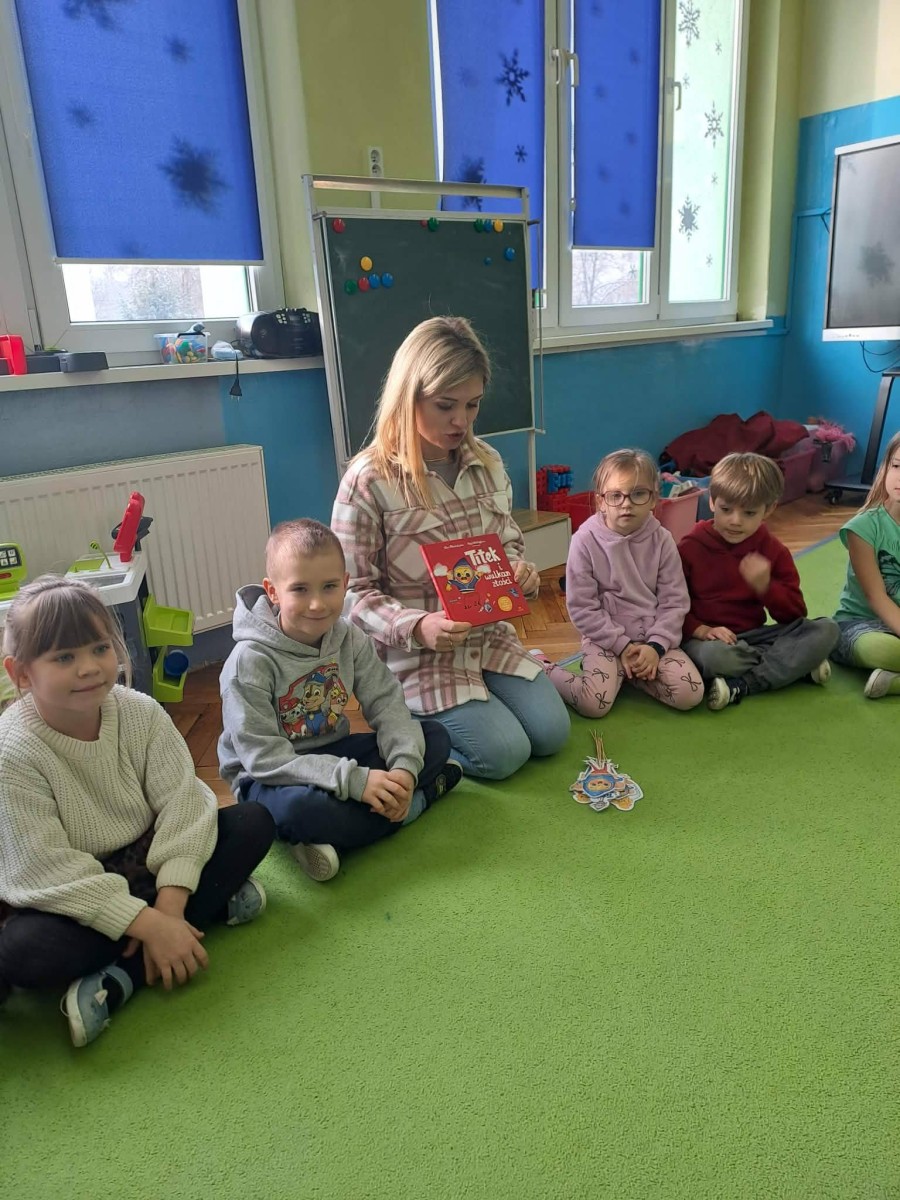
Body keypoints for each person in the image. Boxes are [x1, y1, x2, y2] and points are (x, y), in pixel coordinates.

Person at [0, 576, 274, 1048]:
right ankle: (202, 913)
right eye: (64, 658)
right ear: (21, 673)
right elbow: (44, 868)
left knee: (253, 822)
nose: (89, 668)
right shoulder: (13, 751)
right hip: (79, 888)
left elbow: (184, 802)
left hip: (150, 859)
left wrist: (169, 904)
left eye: (100, 648)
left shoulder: (139, 712)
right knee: (22, 951)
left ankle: (122, 975)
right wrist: (149, 925)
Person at [331, 315, 570, 780]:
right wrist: (417, 626)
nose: (461, 421)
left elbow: (508, 541)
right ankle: (404, 728)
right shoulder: (368, 480)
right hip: (416, 659)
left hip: (489, 640)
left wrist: (520, 571)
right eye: (445, 406)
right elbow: (349, 592)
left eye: (472, 405)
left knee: (552, 733)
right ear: (409, 397)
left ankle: (486, 708)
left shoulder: (488, 463)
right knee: (503, 755)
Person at [218, 518, 459, 882]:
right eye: (300, 589)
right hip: (267, 776)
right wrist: (358, 782)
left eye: (329, 586)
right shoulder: (248, 662)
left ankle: (340, 833)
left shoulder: (349, 637)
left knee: (434, 737)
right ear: (273, 591)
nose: (317, 604)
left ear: (345, 584)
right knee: (300, 809)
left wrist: (403, 771)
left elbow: (387, 703)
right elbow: (263, 758)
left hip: (332, 751)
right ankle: (416, 804)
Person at [532, 449, 703, 717]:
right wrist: (622, 646)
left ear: (653, 499)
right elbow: (582, 608)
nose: (626, 504)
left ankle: (630, 675)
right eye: (615, 496)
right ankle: (540, 666)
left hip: (651, 637)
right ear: (601, 501)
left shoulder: (662, 540)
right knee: (593, 705)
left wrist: (656, 647)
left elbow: (674, 602)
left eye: (638, 494)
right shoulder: (584, 541)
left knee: (689, 693)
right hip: (605, 640)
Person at [679, 452, 839, 710]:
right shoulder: (689, 548)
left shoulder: (773, 550)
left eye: (749, 513)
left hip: (756, 636)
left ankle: (744, 683)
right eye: (726, 509)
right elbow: (671, 607)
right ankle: (792, 666)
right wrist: (702, 630)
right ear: (711, 501)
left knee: (827, 629)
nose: (735, 521)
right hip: (709, 641)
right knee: (715, 658)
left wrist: (766, 587)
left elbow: (795, 615)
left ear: (769, 510)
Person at [831, 430, 900, 698]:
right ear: (886, 468)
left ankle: (892, 682)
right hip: (859, 626)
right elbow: (875, 596)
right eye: (897, 466)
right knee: (885, 651)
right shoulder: (863, 528)